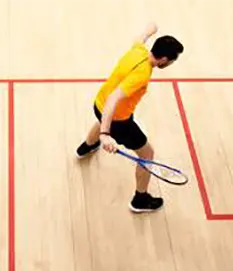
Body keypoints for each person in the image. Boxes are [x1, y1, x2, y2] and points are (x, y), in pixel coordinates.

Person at [75, 23, 184, 213]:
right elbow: (114, 99)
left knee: (102, 117)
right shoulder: (141, 75)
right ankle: (140, 199)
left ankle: (87, 146)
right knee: (147, 154)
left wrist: (151, 29)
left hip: (98, 103)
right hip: (118, 120)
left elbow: (139, 38)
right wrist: (105, 134)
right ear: (164, 59)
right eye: (172, 61)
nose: (171, 64)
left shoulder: (138, 51)